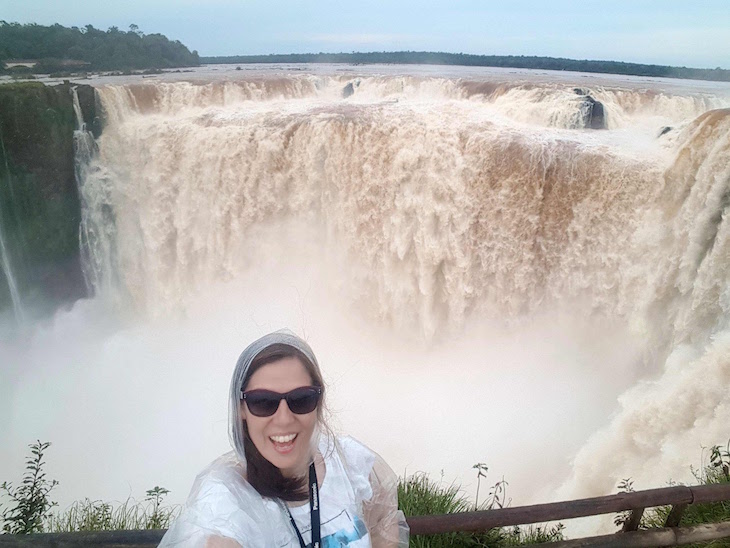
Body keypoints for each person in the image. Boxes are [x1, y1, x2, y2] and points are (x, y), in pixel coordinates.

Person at [159, 330, 409, 547]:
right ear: (241, 409)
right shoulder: (222, 498)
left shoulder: (352, 464)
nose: (283, 418)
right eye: (263, 402)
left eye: (301, 399)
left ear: (318, 402)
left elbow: (383, 526)